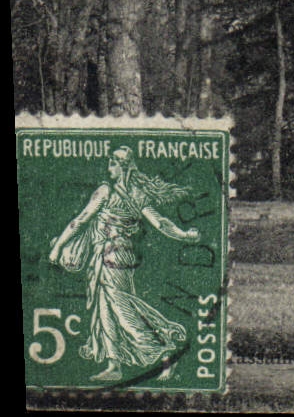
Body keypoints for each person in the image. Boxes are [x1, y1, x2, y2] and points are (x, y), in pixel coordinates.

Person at [49, 146, 201, 381]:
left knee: (121, 308)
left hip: (110, 257)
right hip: (119, 258)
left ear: (122, 167)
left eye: (112, 164)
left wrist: (59, 246)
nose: (108, 168)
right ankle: (114, 366)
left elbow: (80, 221)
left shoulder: (105, 191)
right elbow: (160, 223)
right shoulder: (138, 195)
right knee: (106, 310)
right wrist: (183, 235)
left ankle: (164, 351)